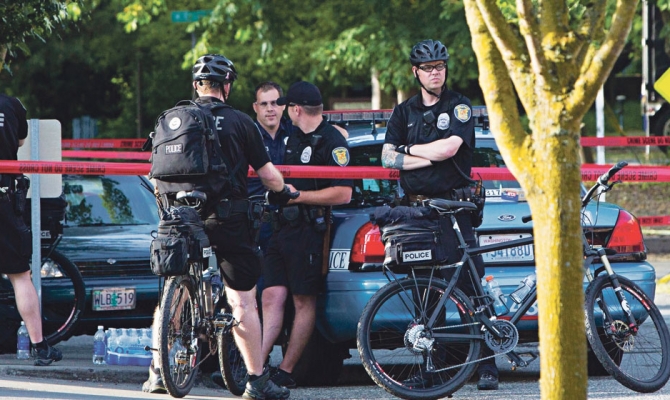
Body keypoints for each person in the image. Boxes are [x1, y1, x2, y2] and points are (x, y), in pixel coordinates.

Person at [142, 54, 294, 400]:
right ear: (227, 86)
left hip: (179, 216)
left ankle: (158, 372)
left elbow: (155, 174)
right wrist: (285, 192)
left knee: (171, 292)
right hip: (227, 218)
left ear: (196, 86)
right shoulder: (241, 122)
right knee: (242, 301)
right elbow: (268, 176)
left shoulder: (173, 119)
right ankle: (257, 381)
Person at [380, 39, 498, 391]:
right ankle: (435, 369)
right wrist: (424, 156)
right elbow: (387, 157)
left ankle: (487, 365)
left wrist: (409, 151)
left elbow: (450, 149)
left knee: (469, 286)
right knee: (425, 295)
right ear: (415, 72)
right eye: (429, 68)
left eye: (440, 66)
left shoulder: (458, 105)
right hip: (417, 211)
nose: (436, 73)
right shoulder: (404, 111)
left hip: (454, 208)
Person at [260, 81, 353, 389]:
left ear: (296, 109)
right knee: (271, 295)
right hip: (281, 228)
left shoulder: (332, 142)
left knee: (303, 300)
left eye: (287, 106)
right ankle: (255, 368)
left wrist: (299, 197)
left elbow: (344, 193)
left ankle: (285, 371)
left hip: (309, 231)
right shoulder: (293, 136)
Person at [0, 93, 63, 366]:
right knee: (20, 276)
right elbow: (21, 141)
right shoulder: (11, 104)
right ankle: (39, 347)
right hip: (4, 195)